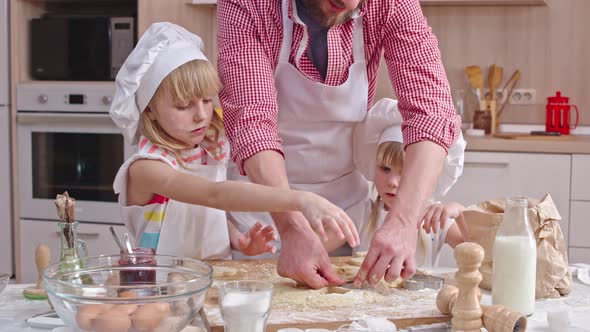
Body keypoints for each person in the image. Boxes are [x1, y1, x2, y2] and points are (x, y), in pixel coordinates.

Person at [217, 0, 462, 288]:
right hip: (262, 217)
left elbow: (430, 112)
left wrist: (403, 223)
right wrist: (290, 225)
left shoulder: (390, 4)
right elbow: (253, 123)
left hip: (343, 214)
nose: (349, 3)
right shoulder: (249, 4)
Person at [109, 22, 358, 260]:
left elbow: (201, 213)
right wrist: (301, 199)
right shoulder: (146, 168)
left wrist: (239, 241)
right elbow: (213, 195)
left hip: (210, 276)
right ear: (149, 109)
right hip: (162, 287)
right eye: (184, 106)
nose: (201, 115)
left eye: (207, 101)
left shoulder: (205, 150)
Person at [325, 99, 468, 272]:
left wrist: (461, 214)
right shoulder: (362, 214)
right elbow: (317, 246)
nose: (392, 182)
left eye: (405, 173)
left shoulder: (433, 220)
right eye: (385, 169)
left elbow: (477, 255)